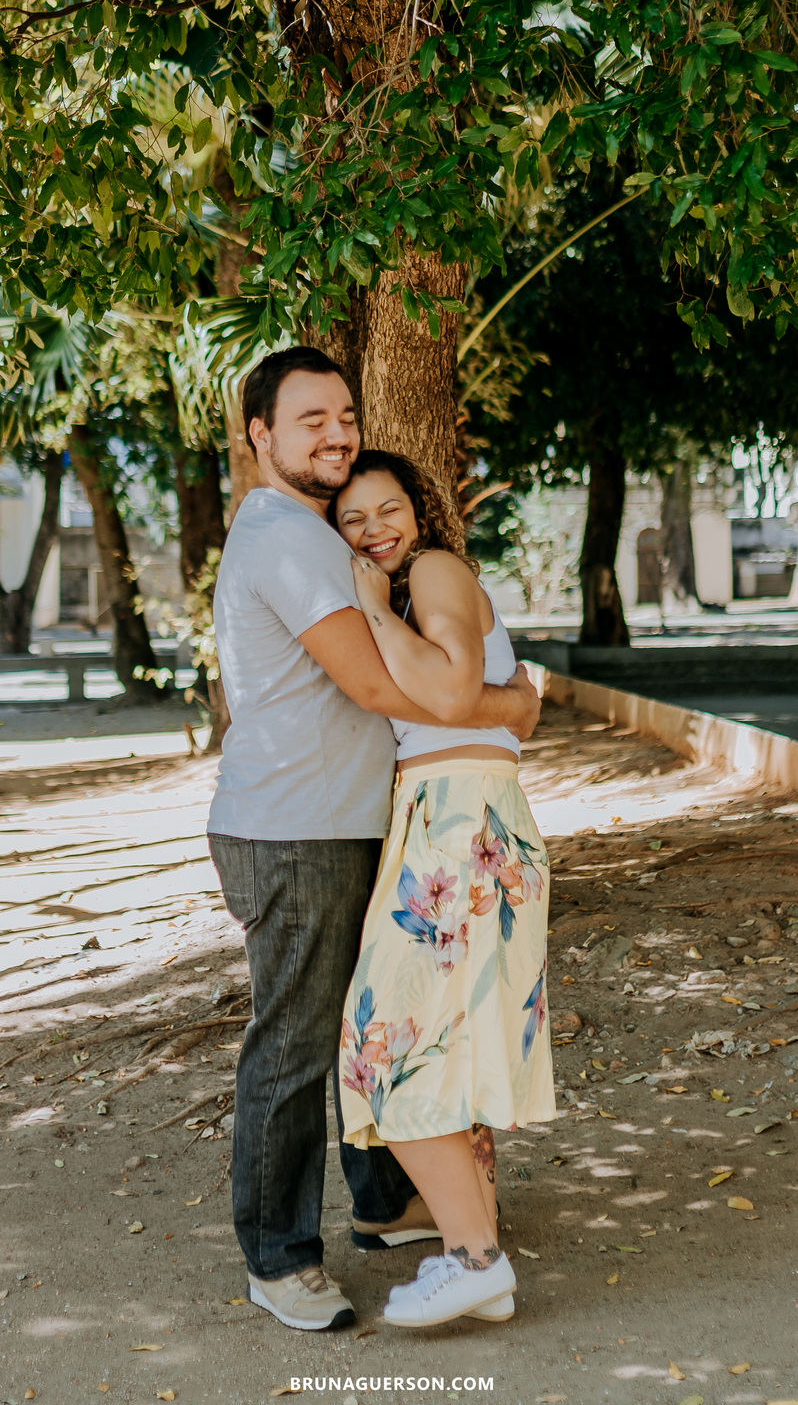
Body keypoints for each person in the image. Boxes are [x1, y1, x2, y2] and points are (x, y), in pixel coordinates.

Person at [206, 348, 542, 1334]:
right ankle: (280, 1258)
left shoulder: (320, 535)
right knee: (308, 1039)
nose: (335, 432)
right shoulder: (286, 537)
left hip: (357, 818)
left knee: (373, 1013)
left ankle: (388, 1198)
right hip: (297, 827)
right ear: (259, 435)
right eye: (310, 419)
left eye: (343, 414)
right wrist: (506, 706)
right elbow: (379, 687)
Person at [330, 450, 556, 1329]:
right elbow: (491, 700)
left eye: (387, 510)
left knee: (381, 1042)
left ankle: (475, 1260)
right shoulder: (413, 585)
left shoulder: (429, 571)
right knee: (448, 1049)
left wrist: (379, 613)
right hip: (450, 816)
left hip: (461, 821)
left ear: (417, 513)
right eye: (353, 520)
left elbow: (456, 685)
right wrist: (510, 703)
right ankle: (475, 1251)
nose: (374, 529)